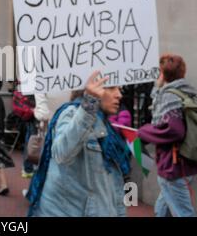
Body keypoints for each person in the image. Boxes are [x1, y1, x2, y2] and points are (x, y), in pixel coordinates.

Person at [27, 71, 131, 216]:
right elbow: (61, 153)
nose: (119, 94)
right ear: (89, 89)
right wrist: (90, 104)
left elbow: (113, 185)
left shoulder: (106, 125)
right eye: (111, 88)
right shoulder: (71, 113)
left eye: (119, 89)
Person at [138, 53, 197, 217]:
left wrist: (143, 131)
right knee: (163, 206)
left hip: (173, 166)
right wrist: (158, 85)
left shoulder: (168, 96)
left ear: (162, 73)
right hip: (188, 160)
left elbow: (174, 129)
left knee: (183, 213)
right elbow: (159, 104)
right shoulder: (187, 91)